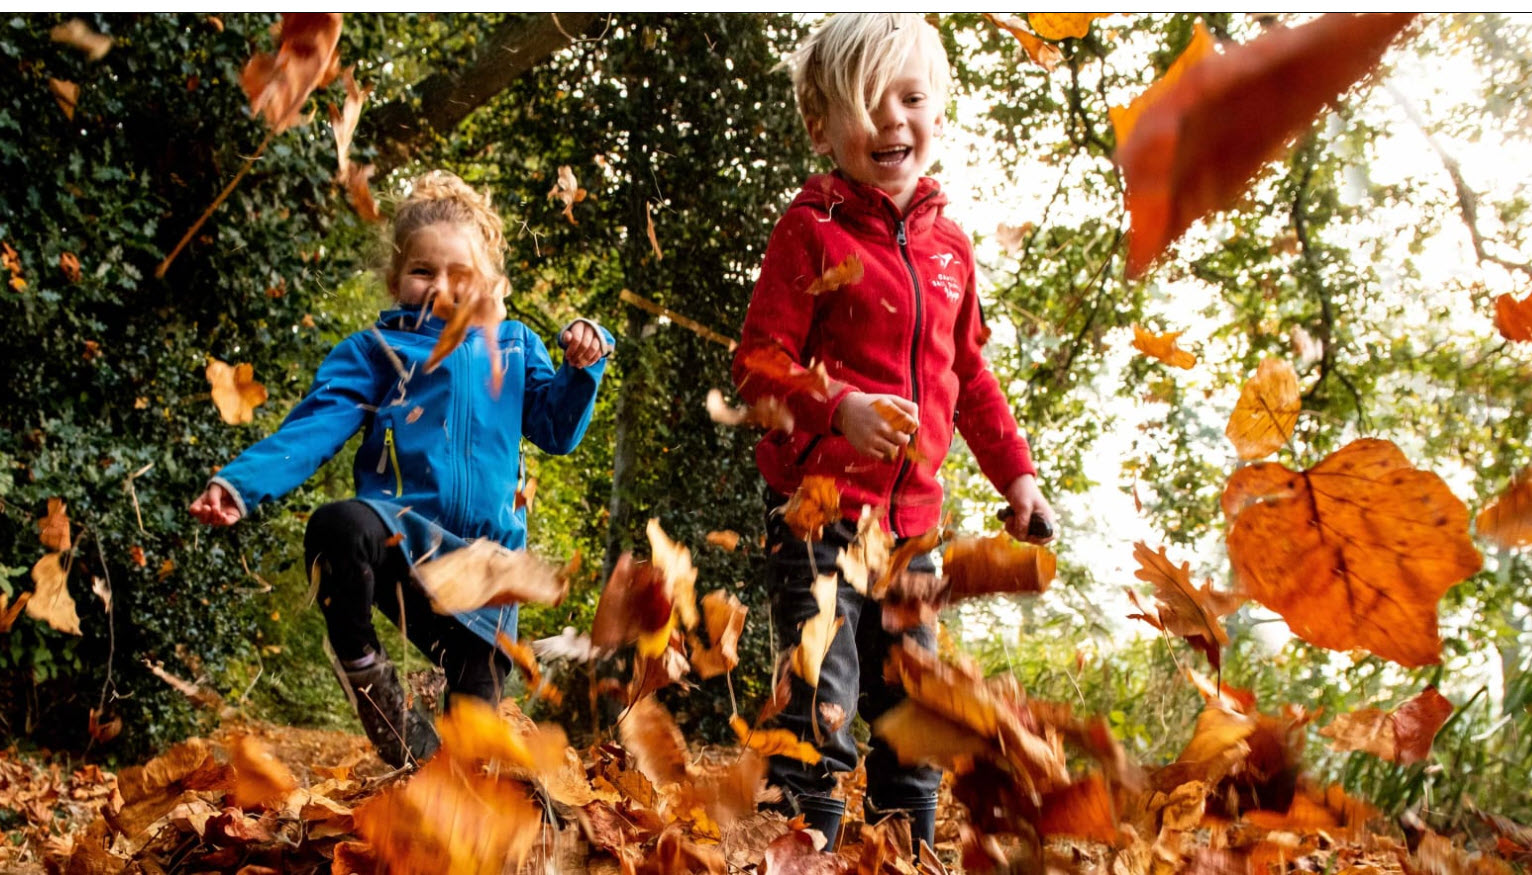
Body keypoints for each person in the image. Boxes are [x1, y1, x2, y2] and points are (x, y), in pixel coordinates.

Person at [730, 13, 1056, 854]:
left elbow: (970, 376)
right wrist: (837, 406)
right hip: (822, 516)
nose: (891, 120)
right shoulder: (812, 228)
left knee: (914, 713)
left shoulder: (950, 247)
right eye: (867, 103)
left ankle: (903, 855)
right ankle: (799, 853)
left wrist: (1017, 480)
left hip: (914, 535)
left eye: (910, 98)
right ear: (821, 124)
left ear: (939, 114)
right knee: (824, 703)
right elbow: (759, 363)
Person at [190, 171, 613, 768]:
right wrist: (240, 484)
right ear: (395, 280)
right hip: (405, 540)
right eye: (422, 272)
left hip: (488, 576)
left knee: (465, 762)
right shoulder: (375, 352)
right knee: (338, 526)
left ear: (489, 284)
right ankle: (368, 674)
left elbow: (557, 431)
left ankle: (424, 779)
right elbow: (313, 426)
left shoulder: (515, 346)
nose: (440, 287)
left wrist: (584, 362)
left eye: (460, 275)